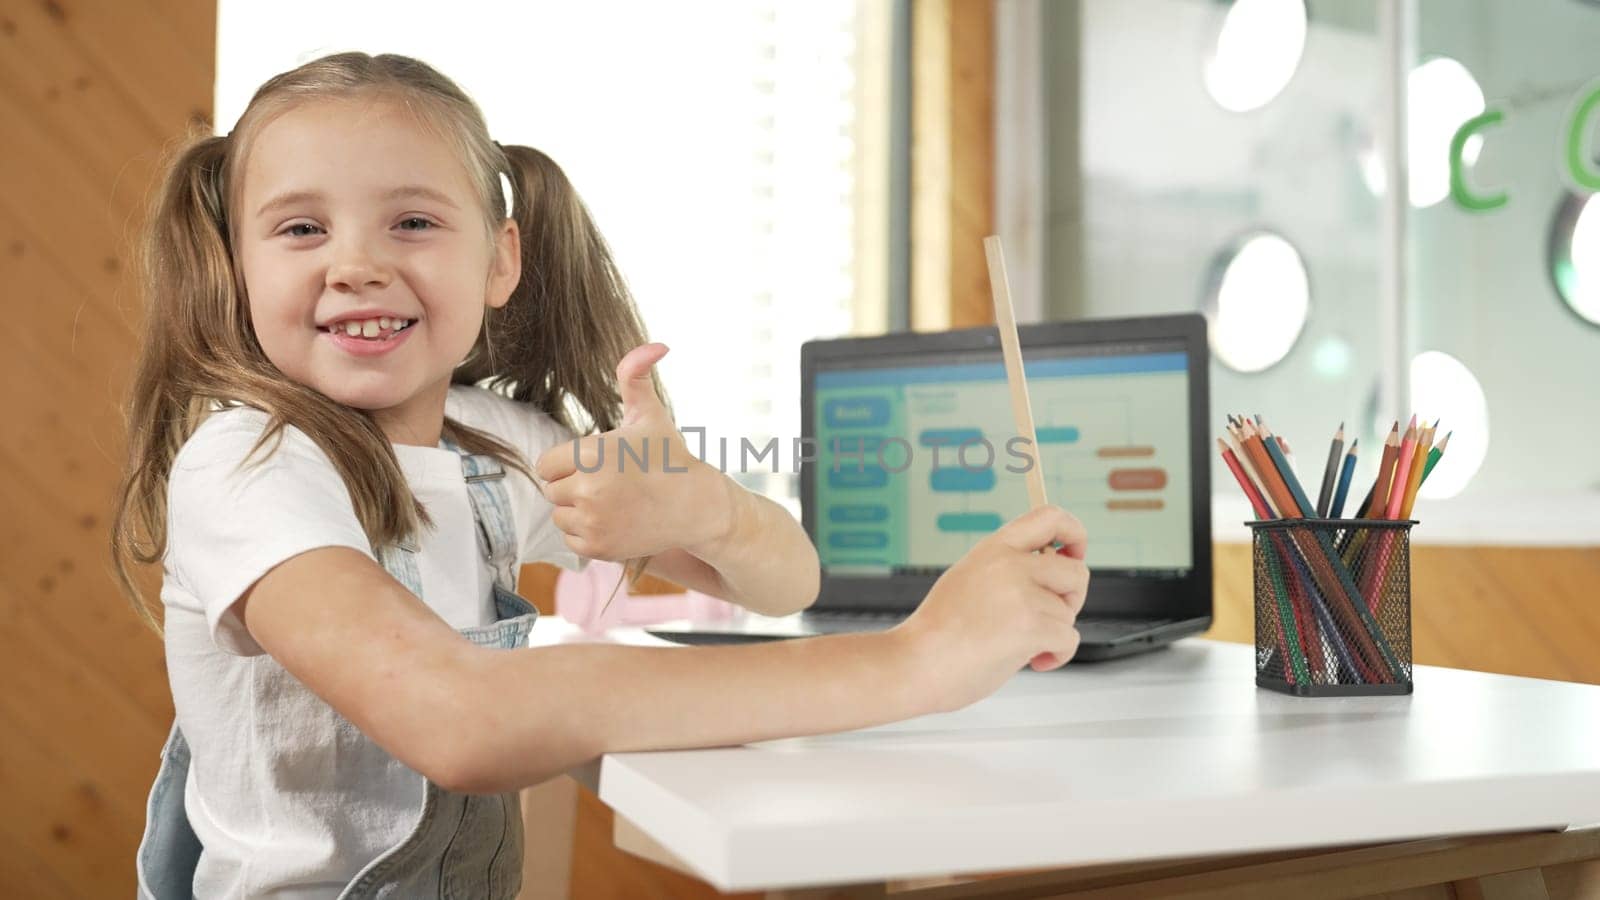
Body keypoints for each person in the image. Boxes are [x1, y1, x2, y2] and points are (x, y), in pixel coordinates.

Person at [110, 51, 1089, 899]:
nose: (357, 263)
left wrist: (702, 511)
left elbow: (790, 579)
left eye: (411, 222)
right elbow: (460, 720)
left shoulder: (487, 441)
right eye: (299, 230)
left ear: (500, 262)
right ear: (235, 266)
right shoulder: (247, 460)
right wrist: (916, 661)